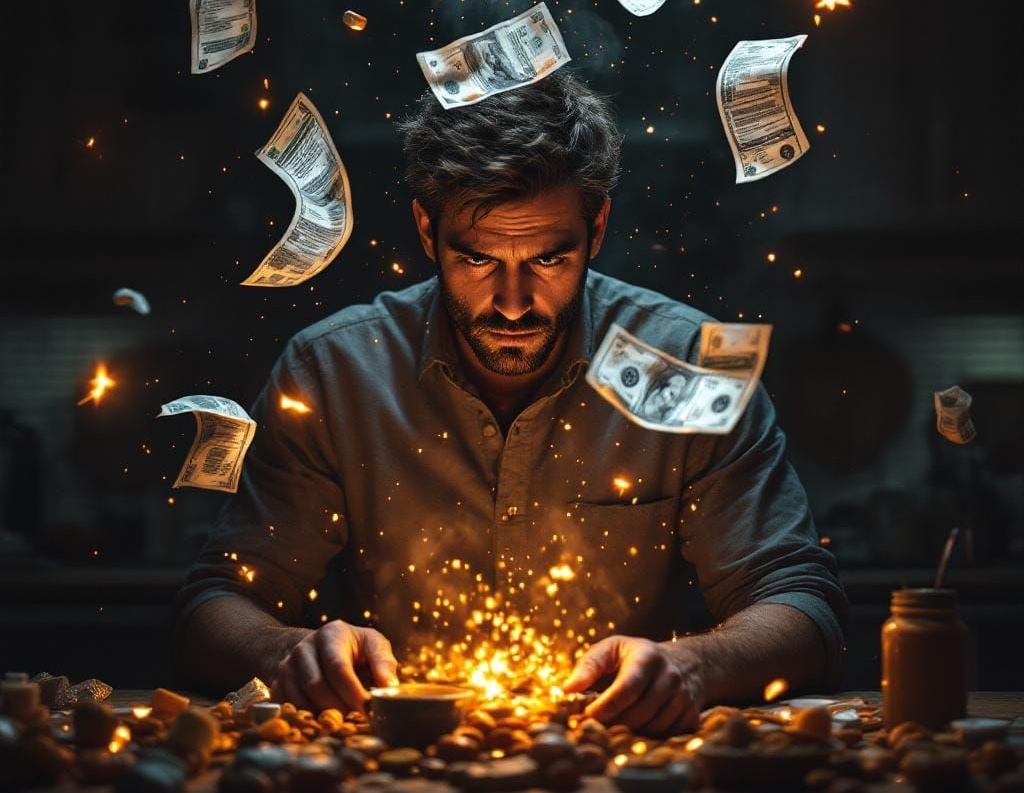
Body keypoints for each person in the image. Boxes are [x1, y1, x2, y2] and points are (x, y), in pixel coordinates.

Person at [173, 71, 846, 737]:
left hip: (613, 763)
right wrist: (283, 650)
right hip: (395, 769)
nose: (514, 304)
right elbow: (213, 606)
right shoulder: (333, 375)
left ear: (598, 228)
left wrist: (693, 665)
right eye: (478, 260)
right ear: (427, 230)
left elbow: (803, 605)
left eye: (550, 261)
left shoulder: (693, 368)